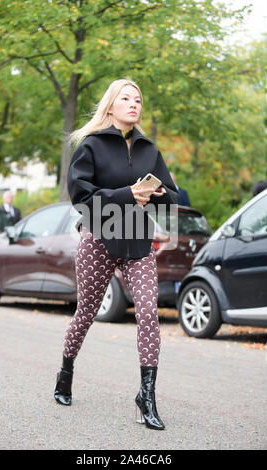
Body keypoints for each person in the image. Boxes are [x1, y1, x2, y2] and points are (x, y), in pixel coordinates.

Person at [54, 79, 179, 431]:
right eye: (126, 98)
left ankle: (147, 396)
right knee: (86, 313)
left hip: (138, 243)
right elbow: (81, 196)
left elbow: (172, 195)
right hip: (100, 239)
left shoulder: (149, 150)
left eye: (138, 99)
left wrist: (154, 195)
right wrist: (128, 193)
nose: (133, 104)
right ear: (111, 105)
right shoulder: (91, 145)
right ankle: (66, 372)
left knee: (148, 314)